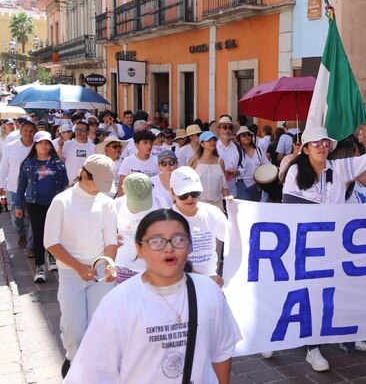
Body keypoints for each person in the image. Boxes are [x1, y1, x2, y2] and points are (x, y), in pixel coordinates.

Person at [64, 209, 241, 383]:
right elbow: (90, 372)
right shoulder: (118, 302)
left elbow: (222, 352)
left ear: (190, 246)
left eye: (179, 239)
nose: (169, 248)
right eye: (156, 241)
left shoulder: (208, 291)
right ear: (139, 249)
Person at [281, 123, 366, 371]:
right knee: (307, 294)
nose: (323, 146)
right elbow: (290, 209)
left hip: (334, 246)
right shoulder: (295, 173)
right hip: (306, 246)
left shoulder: (339, 168)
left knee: (335, 292)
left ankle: (341, 336)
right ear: (305, 149)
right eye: (317, 143)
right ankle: (311, 348)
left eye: (326, 142)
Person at [43, 154, 119, 378]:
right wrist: (77, 267)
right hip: (70, 272)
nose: (100, 189)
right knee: (74, 329)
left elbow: (110, 240)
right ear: (84, 174)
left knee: (99, 326)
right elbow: (51, 242)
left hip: (99, 273)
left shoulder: (106, 203)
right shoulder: (62, 201)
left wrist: (110, 264)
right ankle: (73, 363)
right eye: (97, 182)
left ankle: (93, 372)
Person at [15, 131, 69, 283]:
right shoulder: (28, 164)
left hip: (54, 204)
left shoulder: (58, 164)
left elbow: (65, 183)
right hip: (34, 204)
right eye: (40, 143)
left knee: (54, 233)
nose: (44, 146)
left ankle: (52, 257)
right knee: (38, 234)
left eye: (46, 143)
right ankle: (40, 266)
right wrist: (18, 204)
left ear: (51, 146)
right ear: (35, 145)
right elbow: (22, 186)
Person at [169, 167, 229, 287]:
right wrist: (205, 279)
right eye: (183, 195)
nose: (190, 198)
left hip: (211, 282)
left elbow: (232, 238)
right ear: (172, 193)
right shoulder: (166, 220)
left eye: (195, 193)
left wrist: (236, 213)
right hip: (179, 285)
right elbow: (170, 261)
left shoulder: (212, 212)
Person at [113, 173, 169, 284]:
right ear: (124, 191)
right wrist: (110, 239)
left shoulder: (160, 203)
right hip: (123, 266)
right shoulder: (115, 205)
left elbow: (170, 231)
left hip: (154, 267)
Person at [0, 119, 36, 251]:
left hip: (33, 189)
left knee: (32, 218)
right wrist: (0, 184)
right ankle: (21, 234)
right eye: (25, 130)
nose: (28, 133)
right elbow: (4, 167)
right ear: (20, 131)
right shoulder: (11, 146)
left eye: (31, 131)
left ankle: (31, 246)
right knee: (16, 217)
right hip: (14, 187)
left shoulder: (38, 147)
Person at [188, 131, 229, 210]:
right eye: (208, 140)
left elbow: (224, 186)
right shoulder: (194, 162)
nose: (212, 142)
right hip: (198, 205)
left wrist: (229, 203)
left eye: (214, 140)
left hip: (217, 206)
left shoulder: (220, 162)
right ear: (202, 144)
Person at [118, 130, 159, 196]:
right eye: (145, 143)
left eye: (151, 143)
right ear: (136, 145)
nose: (149, 146)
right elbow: (121, 187)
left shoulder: (157, 161)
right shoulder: (127, 161)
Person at [234, 126, 269, 201]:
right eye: (243, 135)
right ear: (239, 138)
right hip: (241, 184)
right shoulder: (236, 151)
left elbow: (267, 165)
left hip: (257, 185)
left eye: (248, 135)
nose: (247, 136)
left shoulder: (258, 150)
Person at [214, 116, 240, 198]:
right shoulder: (213, 146)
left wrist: (237, 172)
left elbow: (243, 165)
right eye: (225, 127)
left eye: (230, 128)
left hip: (232, 191)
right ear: (219, 130)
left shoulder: (237, 147)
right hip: (216, 192)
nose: (228, 130)